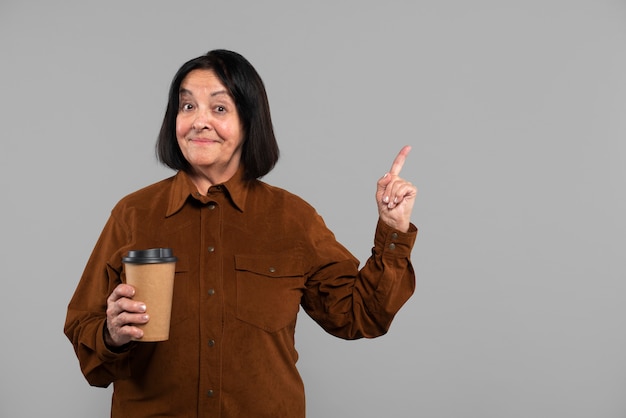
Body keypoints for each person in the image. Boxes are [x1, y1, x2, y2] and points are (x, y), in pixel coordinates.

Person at [64, 49, 418, 417]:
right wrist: (111, 335)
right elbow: (82, 327)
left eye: (219, 108)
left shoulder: (292, 218)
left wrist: (393, 232)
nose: (199, 121)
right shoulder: (133, 215)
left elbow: (358, 315)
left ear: (250, 120)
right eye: (187, 107)